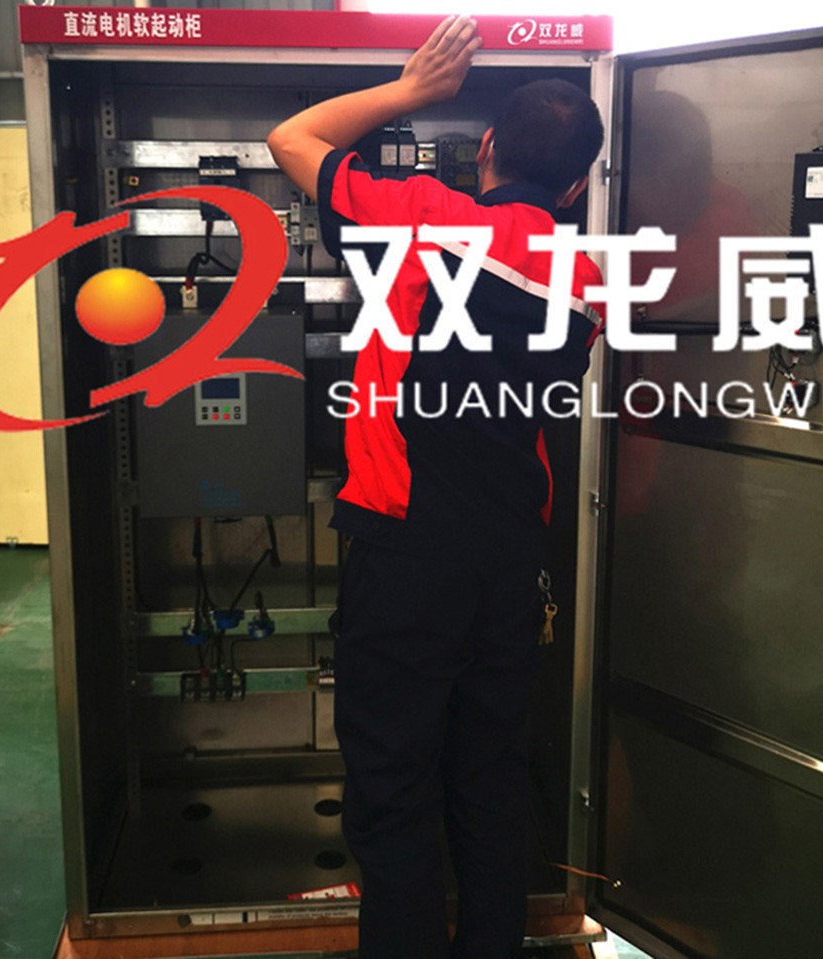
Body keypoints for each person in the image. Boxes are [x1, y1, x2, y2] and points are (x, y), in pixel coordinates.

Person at [268, 17, 605, 959]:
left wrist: (416, 90)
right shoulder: (585, 278)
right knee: (488, 781)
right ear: (576, 187)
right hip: (511, 566)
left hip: (408, 559)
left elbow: (292, 138)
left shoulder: (418, 217)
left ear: (486, 147)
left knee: (392, 789)